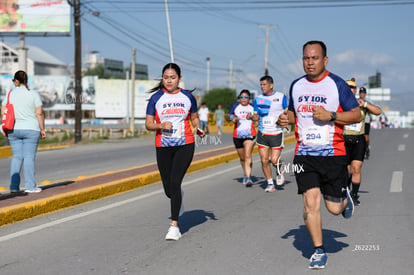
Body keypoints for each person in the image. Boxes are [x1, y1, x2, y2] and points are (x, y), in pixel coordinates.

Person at [277, 40, 362, 269]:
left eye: (315, 58)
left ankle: (343, 196)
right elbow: (294, 115)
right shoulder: (296, 85)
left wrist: (332, 116)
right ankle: (319, 250)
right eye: (306, 58)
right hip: (304, 154)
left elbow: (356, 115)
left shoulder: (337, 85)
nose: (310, 62)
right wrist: (285, 119)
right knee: (309, 203)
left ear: (325, 60)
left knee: (334, 209)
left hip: (333, 154)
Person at [145, 63, 205, 241]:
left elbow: (194, 117)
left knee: (175, 180)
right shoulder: (156, 98)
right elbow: (148, 124)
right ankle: (177, 196)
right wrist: (160, 125)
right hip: (163, 145)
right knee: (169, 188)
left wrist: (198, 128)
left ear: (179, 78)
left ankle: (174, 226)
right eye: (166, 77)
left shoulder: (188, 97)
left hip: (185, 143)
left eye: (172, 77)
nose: (169, 80)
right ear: (162, 78)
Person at [1, 70, 47, 193]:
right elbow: (39, 113)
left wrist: (4, 127)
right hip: (31, 129)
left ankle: (14, 187)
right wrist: (42, 129)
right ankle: (30, 186)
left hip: (13, 129)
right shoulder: (33, 94)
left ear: (16, 81)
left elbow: (3, 112)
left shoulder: (10, 94)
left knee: (16, 157)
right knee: (28, 157)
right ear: (26, 81)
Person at [343, 79, 382, 205]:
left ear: (355, 90)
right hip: (344, 140)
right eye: (348, 87)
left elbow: (378, 111)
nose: (350, 89)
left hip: (358, 139)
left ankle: (354, 195)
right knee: (346, 170)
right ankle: (345, 191)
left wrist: (364, 105)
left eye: (353, 87)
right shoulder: (339, 103)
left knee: (356, 168)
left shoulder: (361, 103)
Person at [249, 75, 287, 193]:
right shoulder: (258, 99)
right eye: (261, 85)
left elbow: (287, 112)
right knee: (264, 160)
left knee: (274, 160)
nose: (262, 87)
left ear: (271, 85)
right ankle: (270, 183)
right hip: (263, 133)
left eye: (264, 84)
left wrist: (283, 119)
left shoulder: (281, 97)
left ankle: (279, 168)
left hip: (276, 132)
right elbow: (256, 114)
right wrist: (252, 117)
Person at [228, 90, 257, 187]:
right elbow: (229, 116)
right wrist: (233, 118)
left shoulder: (253, 107)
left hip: (250, 134)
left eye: (246, 97)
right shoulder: (235, 106)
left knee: (248, 155)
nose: (243, 99)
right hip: (237, 135)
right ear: (239, 98)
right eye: (241, 97)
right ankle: (245, 173)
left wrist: (252, 117)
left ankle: (248, 177)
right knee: (242, 158)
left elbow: (258, 117)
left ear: (249, 98)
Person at [358, 87, 373, 159]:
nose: (362, 94)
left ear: (365, 94)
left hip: (366, 121)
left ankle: (367, 148)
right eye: (361, 93)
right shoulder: (356, 101)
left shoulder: (368, 102)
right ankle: (361, 150)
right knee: (360, 137)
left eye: (363, 93)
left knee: (366, 138)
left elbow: (373, 109)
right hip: (359, 121)